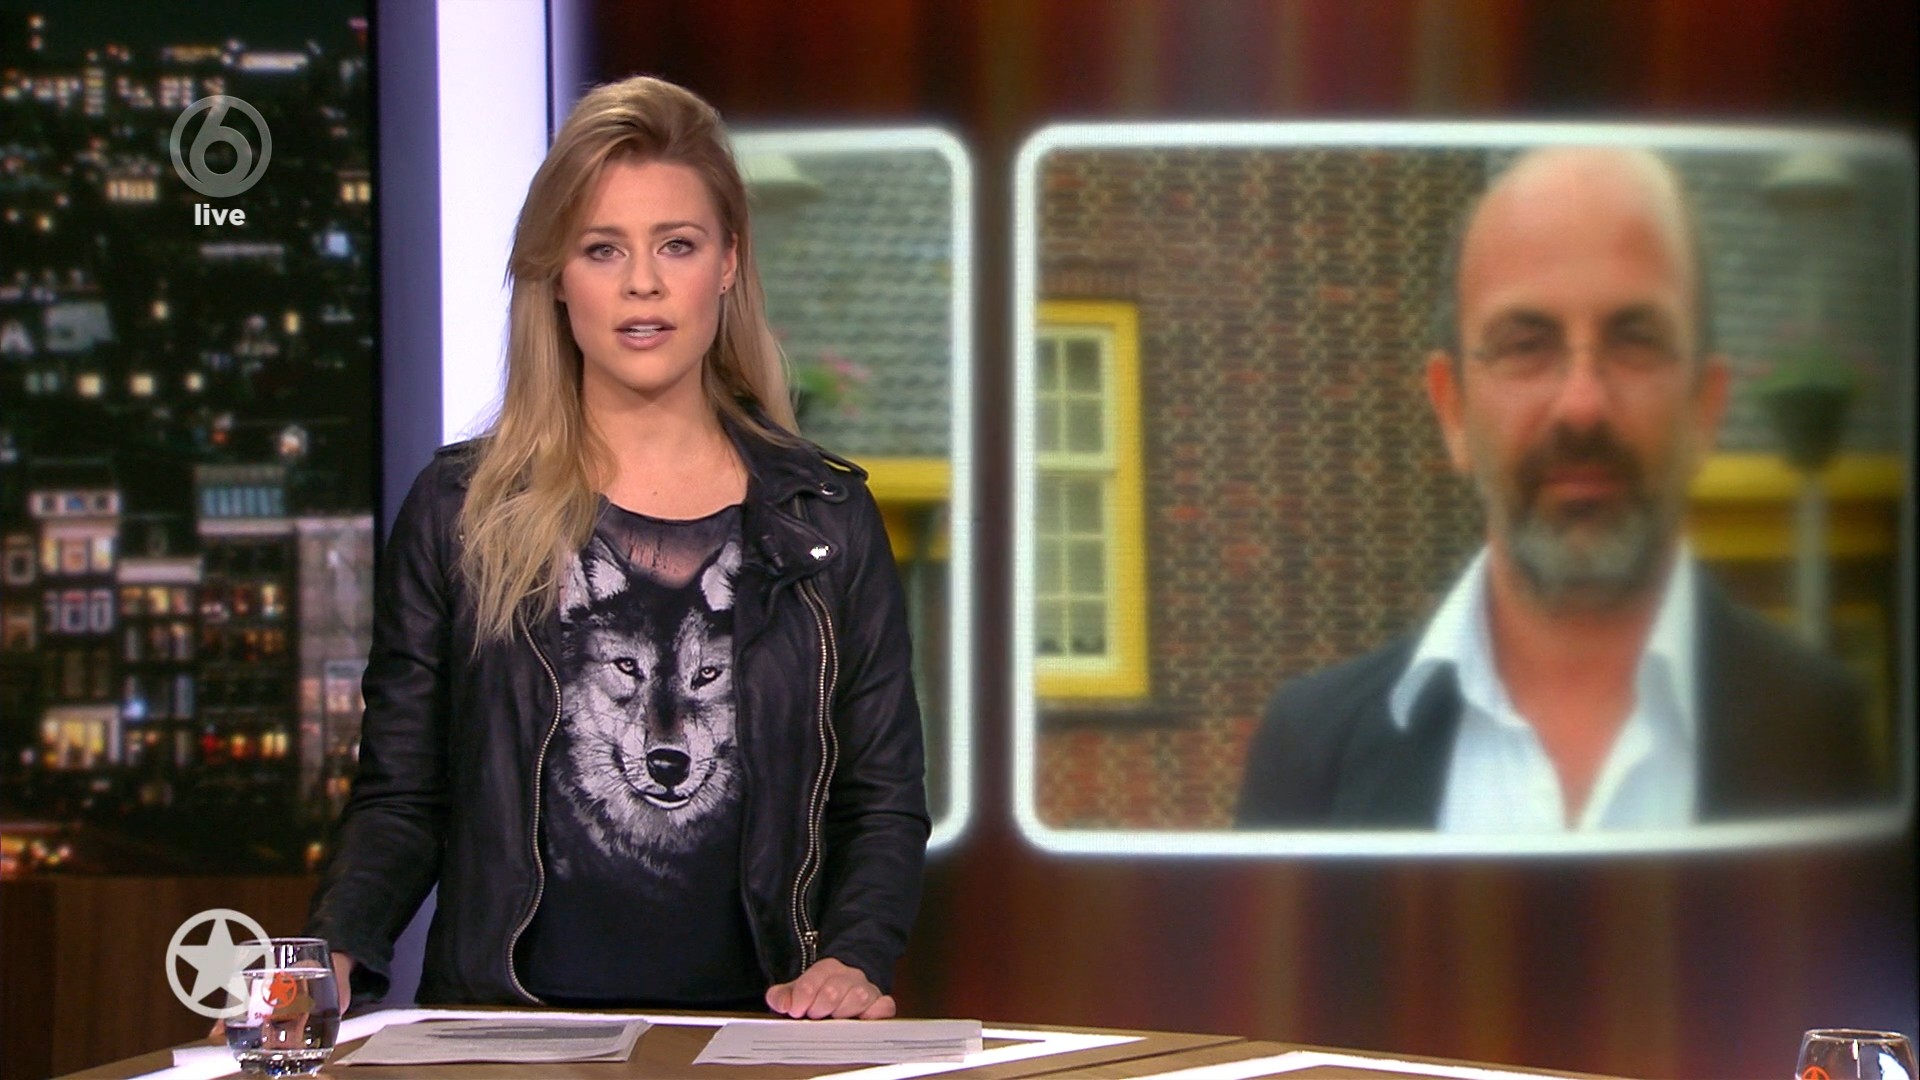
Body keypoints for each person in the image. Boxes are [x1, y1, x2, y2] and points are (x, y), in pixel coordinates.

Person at [305, 76, 928, 1017]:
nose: (643, 283)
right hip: (508, 1036)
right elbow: (403, 794)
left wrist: (853, 958)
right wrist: (334, 955)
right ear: (557, 275)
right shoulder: (462, 512)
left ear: (728, 261)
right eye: (604, 249)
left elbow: (879, 798)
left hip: (760, 1033)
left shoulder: (825, 519)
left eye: (677, 245)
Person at [1238, 147, 1878, 831]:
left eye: (1635, 340)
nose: (1581, 405)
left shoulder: (1822, 734)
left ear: (1705, 407)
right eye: (1526, 344)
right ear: (1452, 411)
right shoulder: (1307, 757)